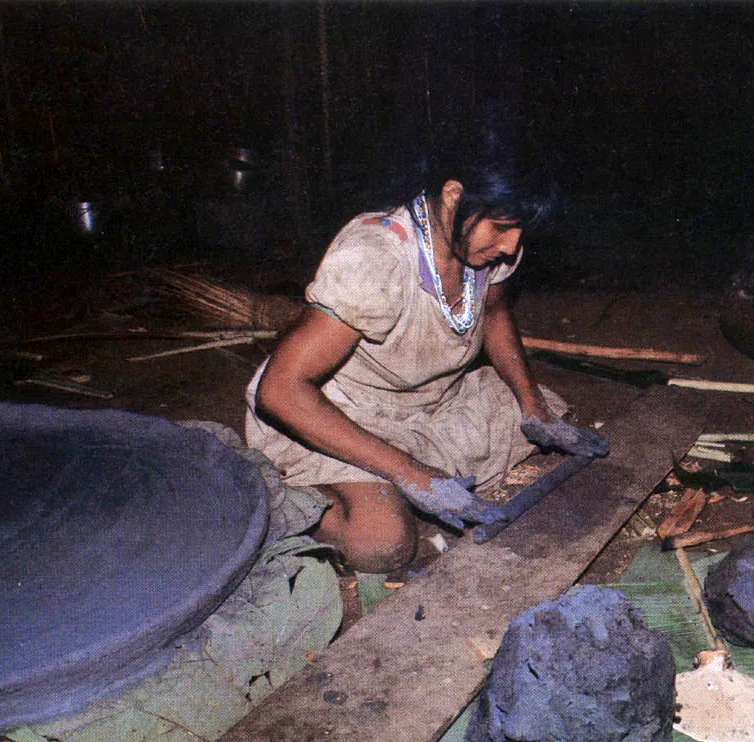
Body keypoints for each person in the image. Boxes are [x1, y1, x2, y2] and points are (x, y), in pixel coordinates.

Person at [245, 122, 609, 573]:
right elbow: (279, 392)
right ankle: (277, 497)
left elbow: (494, 313)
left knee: (555, 422)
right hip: (337, 411)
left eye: (517, 231)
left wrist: (533, 406)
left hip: (434, 402)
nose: (511, 245)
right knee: (383, 543)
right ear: (453, 194)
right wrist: (414, 474)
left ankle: (399, 474)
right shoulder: (376, 257)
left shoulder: (488, 248)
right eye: (500, 227)